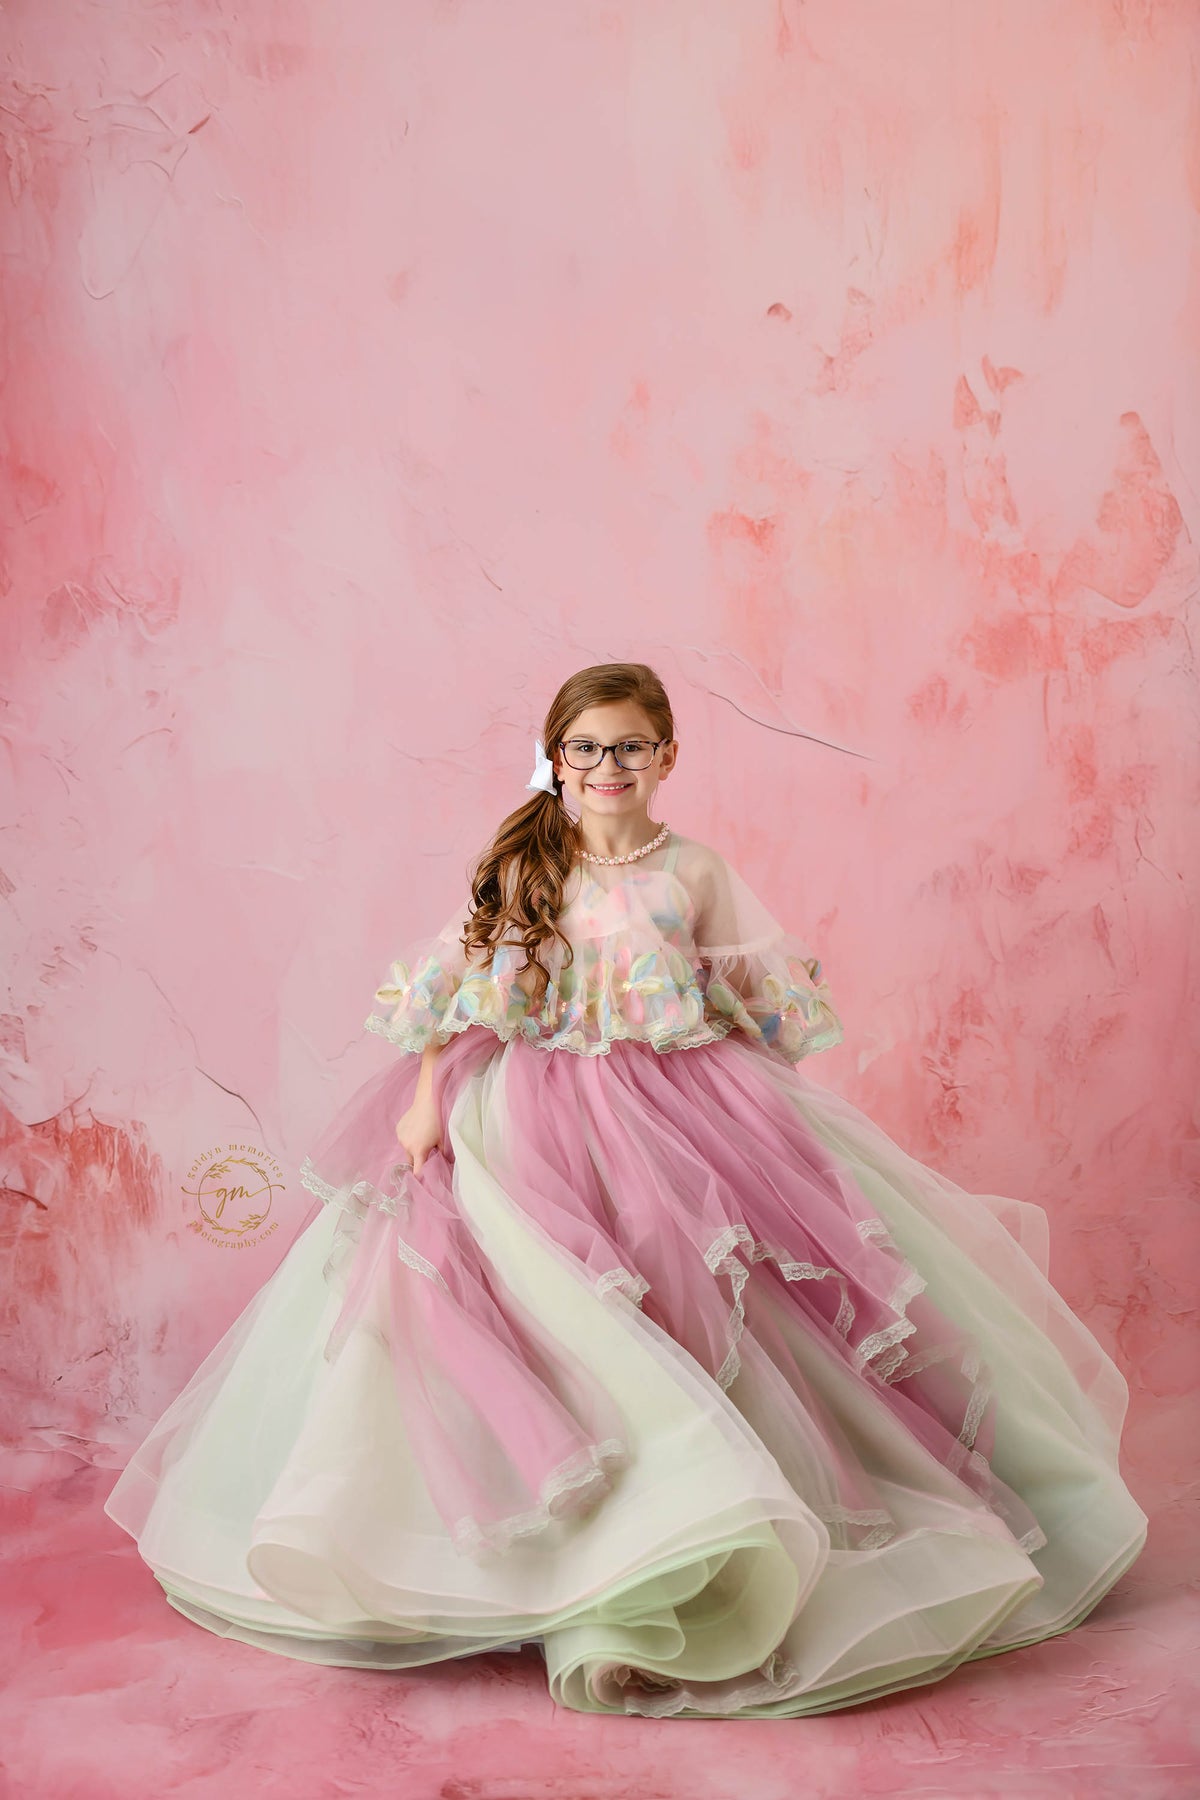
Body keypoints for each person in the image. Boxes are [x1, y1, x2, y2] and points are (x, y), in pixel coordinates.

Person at [103, 660, 1147, 1719]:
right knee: (526, 1290)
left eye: (630, 748)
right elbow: (463, 1001)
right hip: (526, 1102)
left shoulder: (691, 870)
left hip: (675, 1098)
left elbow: (763, 1006)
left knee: (684, 1268)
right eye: (588, 749)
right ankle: (543, 1545)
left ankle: (719, 1527)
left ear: (666, 757)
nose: (609, 767)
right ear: (556, 757)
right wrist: (424, 1104)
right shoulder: (525, 866)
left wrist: (764, 1128)